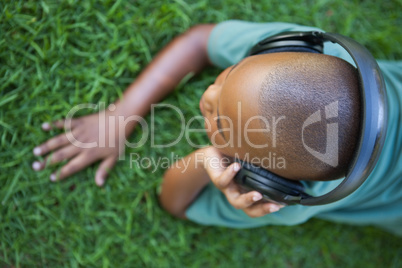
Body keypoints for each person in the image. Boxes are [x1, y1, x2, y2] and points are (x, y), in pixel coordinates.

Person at [32, 20, 402, 235]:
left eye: (221, 127)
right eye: (229, 76)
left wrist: (205, 158)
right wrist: (122, 113)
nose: (208, 96)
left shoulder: (283, 202)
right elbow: (200, 41)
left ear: (264, 177)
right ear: (281, 47)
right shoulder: (309, 56)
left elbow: (176, 201)